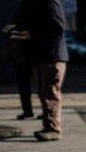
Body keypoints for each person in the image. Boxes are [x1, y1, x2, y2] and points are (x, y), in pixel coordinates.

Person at [16, 0, 69, 141]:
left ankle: (53, 129)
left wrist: (32, 33)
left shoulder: (50, 1)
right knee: (44, 92)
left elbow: (58, 26)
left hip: (51, 56)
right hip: (42, 56)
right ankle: (49, 126)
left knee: (50, 92)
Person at [6, 0, 35, 120]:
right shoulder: (31, 9)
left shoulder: (23, 10)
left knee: (24, 84)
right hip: (31, 52)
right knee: (42, 85)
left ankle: (28, 110)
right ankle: (43, 111)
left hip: (24, 53)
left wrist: (13, 33)